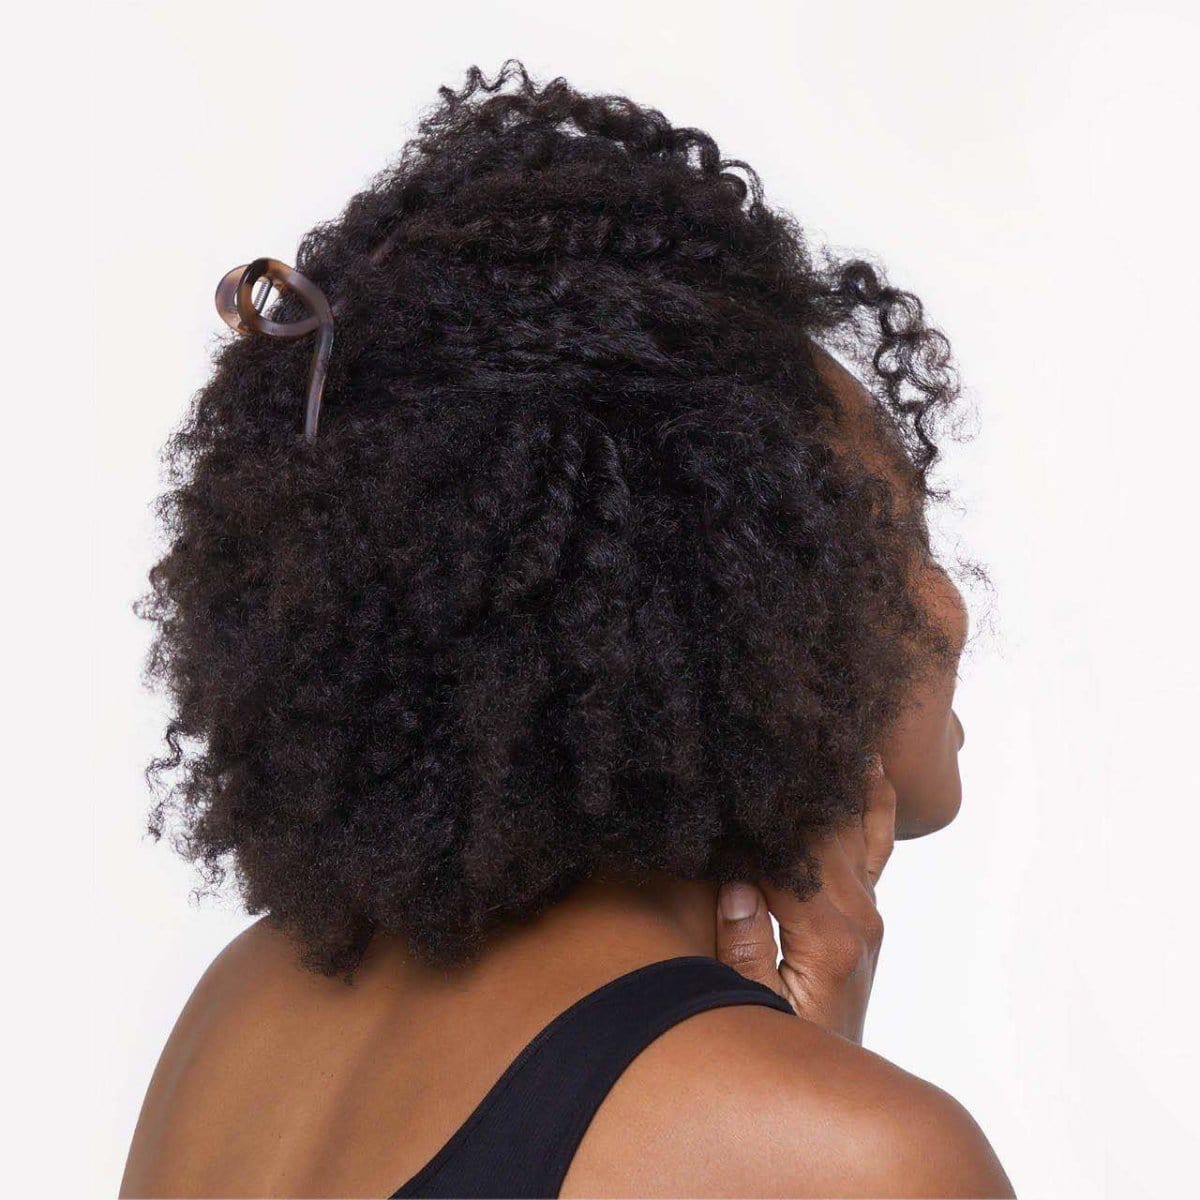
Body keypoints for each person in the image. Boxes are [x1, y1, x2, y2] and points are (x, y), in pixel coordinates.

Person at [121, 61, 1013, 1198]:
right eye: (903, 536)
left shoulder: (241, 1009)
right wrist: (811, 1103)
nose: (951, 605)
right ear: (760, 614)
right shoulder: (855, 1154)